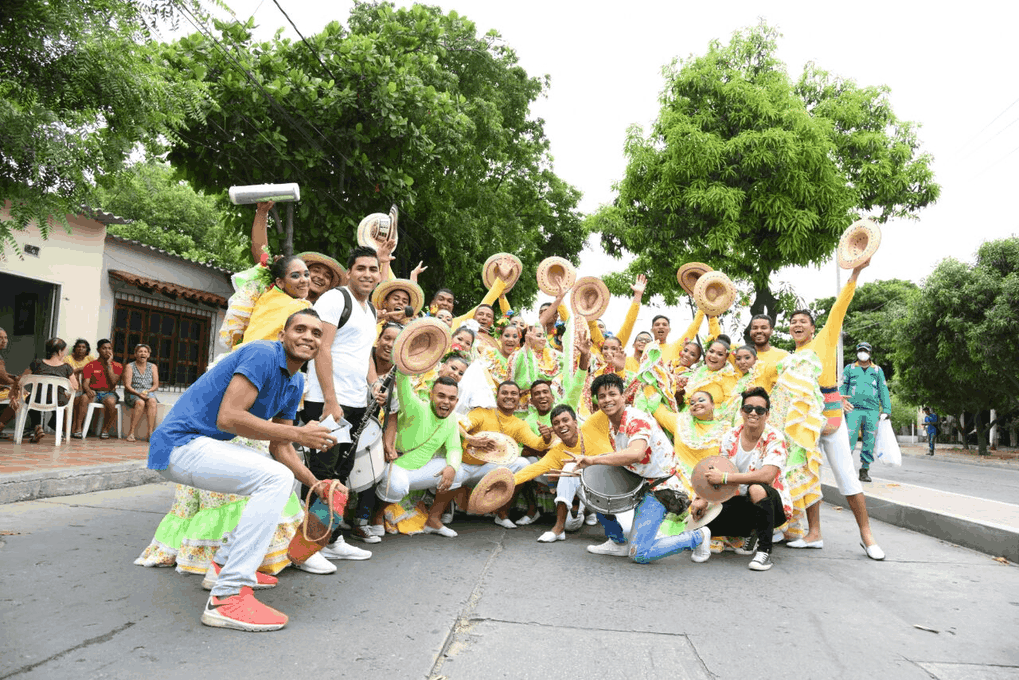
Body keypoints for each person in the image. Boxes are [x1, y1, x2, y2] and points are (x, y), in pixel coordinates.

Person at [146, 309, 341, 632]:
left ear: (320, 345)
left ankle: (222, 568)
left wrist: (314, 484)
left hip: (202, 448)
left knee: (282, 479)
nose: (308, 336)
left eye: (316, 333)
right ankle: (229, 595)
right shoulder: (262, 354)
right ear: (283, 336)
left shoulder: (295, 381)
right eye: (300, 329)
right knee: (275, 477)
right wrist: (300, 434)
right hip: (180, 446)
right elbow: (229, 417)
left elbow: (281, 447)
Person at [785, 257, 884, 560]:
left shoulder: (825, 341)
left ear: (814, 329)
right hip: (803, 425)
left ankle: (867, 536)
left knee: (847, 477)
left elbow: (839, 306)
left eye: (803, 322)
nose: (797, 325)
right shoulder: (789, 359)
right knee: (808, 475)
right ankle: (813, 533)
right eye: (793, 322)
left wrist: (854, 273)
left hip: (830, 418)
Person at [303, 245, 383, 561]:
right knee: (321, 473)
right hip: (327, 401)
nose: (367, 274)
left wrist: (374, 384)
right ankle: (311, 544)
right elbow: (322, 349)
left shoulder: (371, 310)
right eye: (360, 268)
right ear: (349, 272)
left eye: (372, 269)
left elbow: (364, 355)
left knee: (340, 472)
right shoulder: (337, 299)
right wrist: (330, 401)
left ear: (378, 275)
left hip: (355, 402)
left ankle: (330, 538)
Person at [578, 373, 708, 563]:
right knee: (589, 487)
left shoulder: (636, 419)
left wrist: (593, 460)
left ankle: (699, 537)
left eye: (612, 394)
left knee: (639, 553)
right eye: (602, 396)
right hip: (638, 480)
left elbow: (636, 453)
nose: (607, 400)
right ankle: (617, 541)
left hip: (660, 487)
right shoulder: (611, 423)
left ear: (623, 396)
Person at [689, 387, 792, 571]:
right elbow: (718, 473)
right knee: (698, 522)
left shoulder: (774, 437)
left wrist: (725, 477)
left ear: (767, 414)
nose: (753, 413)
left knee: (756, 488)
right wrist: (704, 499)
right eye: (748, 408)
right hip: (739, 500)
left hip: (771, 504)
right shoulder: (731, 436)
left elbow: (766, 476)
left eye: (759, 410)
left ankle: (764, 551)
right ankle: (749, 533)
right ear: (741, 411)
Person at [445, 380, 552, 528]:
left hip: (488, 471)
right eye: (505, 393)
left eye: (513, 393)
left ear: (519, 398)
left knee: (523, 464)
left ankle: (502, 514)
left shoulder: (519, 425)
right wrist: (470, 438)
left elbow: (537, 444)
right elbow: (455, 424)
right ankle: (443, 509)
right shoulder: (482, 413)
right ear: (497, 396)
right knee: (445, 468)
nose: (509, 396)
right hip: (464, 466)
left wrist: (546, 437)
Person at [373, 375, 464, 537]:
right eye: (441, 396)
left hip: (419, 472)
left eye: (451, 398)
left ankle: (433, 521)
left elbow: (455, 448)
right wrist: (406, 362)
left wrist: (451, 466)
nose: (446, 402)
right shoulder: (416, 407)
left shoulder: (451, 421)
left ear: (456, 402)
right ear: (431, 395)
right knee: (397, 486)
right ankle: (376, 517)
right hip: (396, 466)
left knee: (458, 471)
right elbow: (402, 384)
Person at [513, 405, 609, 542]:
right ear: (554, 430)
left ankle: (588, 512)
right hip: (588, 494)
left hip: (611, 487)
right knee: (570, 468)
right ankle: (561, 528)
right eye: (556, 423)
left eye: (565, 420)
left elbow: (610, 407)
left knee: (627, 532)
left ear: (575, 422)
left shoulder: (591, 427)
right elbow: (533, 469)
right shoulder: (557, 452)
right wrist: (507, 482)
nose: (561, 425)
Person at [0, 338, 78, 443]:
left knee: (32, 397)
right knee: (59, 398)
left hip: (35, 400)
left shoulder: (36, 363)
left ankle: (37, 425)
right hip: (58, 402)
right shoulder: (67, 367)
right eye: (64, 351)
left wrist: (15, 391)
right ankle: (54, 426)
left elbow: (22, 380)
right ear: (60, 352)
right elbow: (75, 386)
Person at [841, 341, 891, 482]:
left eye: (865, 350)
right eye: (860, 350)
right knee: (849, 439)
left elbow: (883, 390)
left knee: (869, 440)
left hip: (872, 410)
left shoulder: (877, 370)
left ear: (869, 353)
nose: (862, 353)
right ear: (857, 352)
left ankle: (864, 469)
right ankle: (847, 469)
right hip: (853, 409)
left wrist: (886, 409)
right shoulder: (849, 368)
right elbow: (843, 387)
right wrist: (842, 401)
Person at [72, 339, 123, 439]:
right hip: (94, 392)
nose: (107, 351)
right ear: (98, 350)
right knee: (84, 398)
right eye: (104, 348)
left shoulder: (117, 366)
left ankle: (105, 430)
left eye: (109, 348)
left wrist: (109, 365)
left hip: (109, 392)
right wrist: (87, 390)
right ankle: (78, 429)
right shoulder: (91, 365)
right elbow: (85, 383)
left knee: (111, 402)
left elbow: (113, 382)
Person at [123, 343, 160, 442]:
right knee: (140, 402)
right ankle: (131, 433)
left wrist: (147, 392)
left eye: (145, 352)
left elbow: (155, 385)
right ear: (135, 354)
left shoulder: (153, 367)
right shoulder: (129, 366)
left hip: (147, 391)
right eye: (140, 351)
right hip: (133, 392)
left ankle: (151, 433)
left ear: (148, 355)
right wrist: (139, 394)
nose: (143, 354)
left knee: (152, 401)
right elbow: (127, 385)